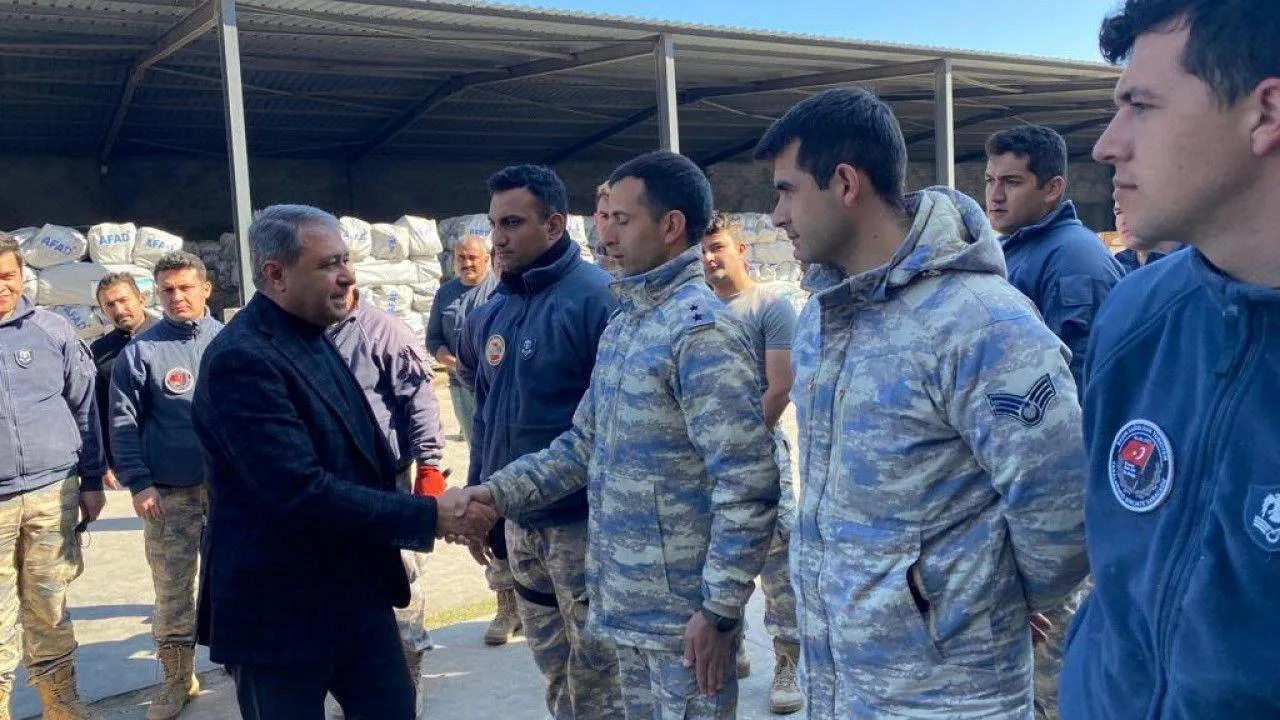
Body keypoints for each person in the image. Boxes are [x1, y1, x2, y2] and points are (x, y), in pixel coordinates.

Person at [753, 87, 1088, 718]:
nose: (776, 216)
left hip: (947, 695)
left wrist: (986, 599)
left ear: (845, 183)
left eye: (787, 191)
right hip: (843, 688)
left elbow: (1061, 508)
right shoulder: (824, 317)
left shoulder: (982, 322)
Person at [467, 151, 781, 720]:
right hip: (625, 609)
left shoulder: (700, 333)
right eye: (604, 219)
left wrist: (719, 612)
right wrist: (494, 494)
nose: (605, 234)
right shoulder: (627, 323)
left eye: (622, 220)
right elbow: (581, 446)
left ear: (671, 225)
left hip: (685, 624)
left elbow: (748, 483)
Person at [1061, 1, 1280, 717]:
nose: (1107, 145)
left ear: (1266, 112)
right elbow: (1116, 583)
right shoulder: (1134, 316)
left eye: (1141, 106)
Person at [191, 204, 495, 720]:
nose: (348, 275)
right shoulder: (243, 359)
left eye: (346, 260)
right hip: (281, 610)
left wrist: (428, 482)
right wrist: (432, 515)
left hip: (356, 593)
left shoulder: (313, 334)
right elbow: (300, 491)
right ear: (275, 274)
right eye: (329, 264)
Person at [455, 165, 624, 717]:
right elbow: (484, 419)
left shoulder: (598, 301)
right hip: (520, 524)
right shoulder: (493, 312)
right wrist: (482, 502)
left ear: (554, 225)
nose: (497, 239)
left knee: (600, 678)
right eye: (493, 224)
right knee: (553, 670)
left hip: (582, 526)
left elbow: (610, 432)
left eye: (512, 223)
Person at [109, 252, 222, 720]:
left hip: (229, 493)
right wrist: (139, 484)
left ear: (206, 289)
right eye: (167, 290)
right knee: (173, 591)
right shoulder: (141, 352)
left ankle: (244, 663)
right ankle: (177, 680)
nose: (177, 297)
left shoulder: (230, 342)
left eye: (185, 287)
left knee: (236, 578)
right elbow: (123, 424)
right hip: (168, 495)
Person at [328, 284, 448, 719]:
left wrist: (430, 466)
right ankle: (354, 683)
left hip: (386, 482)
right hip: (331, 487)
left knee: (400, 581)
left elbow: (421, 401)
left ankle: (408, 674)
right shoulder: (306, 329)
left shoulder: (382, 332)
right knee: (343, 586)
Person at [700, 213, 804, 715]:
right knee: (716, 552)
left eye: (718, 247)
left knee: (778, 560)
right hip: (705, 461)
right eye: (703, 250)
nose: (709, 258)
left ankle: (787, 660)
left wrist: (737, 446)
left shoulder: (770, 307)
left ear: (740, 250)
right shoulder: (695, 310)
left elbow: (780, 387)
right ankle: (733, 642)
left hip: (759, 454)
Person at [0, 231, 106, 719]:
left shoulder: (52, 330)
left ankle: (59, 701)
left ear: (22, 275)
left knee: (49, 604)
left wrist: (91, 479)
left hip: (51, 491)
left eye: (7, 276)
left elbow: (84, 407)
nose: (1, 286)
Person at [984, 124, 1123, 389]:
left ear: (1052, 188)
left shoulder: (1074, 258)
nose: (996, 195)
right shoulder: (1017, 248)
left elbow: (1078, 377)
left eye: (1012, 182)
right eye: (990, 180)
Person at [425, 233, 497, 444]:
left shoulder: (499, 290)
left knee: (497, 443)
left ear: (487, 259)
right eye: (461, 257)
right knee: (474, 443)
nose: (467, 263)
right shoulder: (444, 294)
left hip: (493, 383)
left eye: (472, 257)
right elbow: (433, 339)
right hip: (460, 384)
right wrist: (455, 364)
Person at [90, 272, 156, 490]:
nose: (118, 310)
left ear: (141, 299)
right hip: (131, 459)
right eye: (110, 305)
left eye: (123, 300)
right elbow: (99, 410)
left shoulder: (168, 336)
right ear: (103, 311)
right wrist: (104, 462)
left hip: (176, 452)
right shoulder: (100, 352)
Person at [1112, 203, 1182, 273]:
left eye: (1134, 210)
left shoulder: (1184, 261)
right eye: (1119, 213)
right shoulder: (1120, 261)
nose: (1123, 221)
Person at [592, 182, 622, 274]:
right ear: (596, 219)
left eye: (620, 217)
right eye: (605, 216)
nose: (610, 225)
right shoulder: (584, 276)